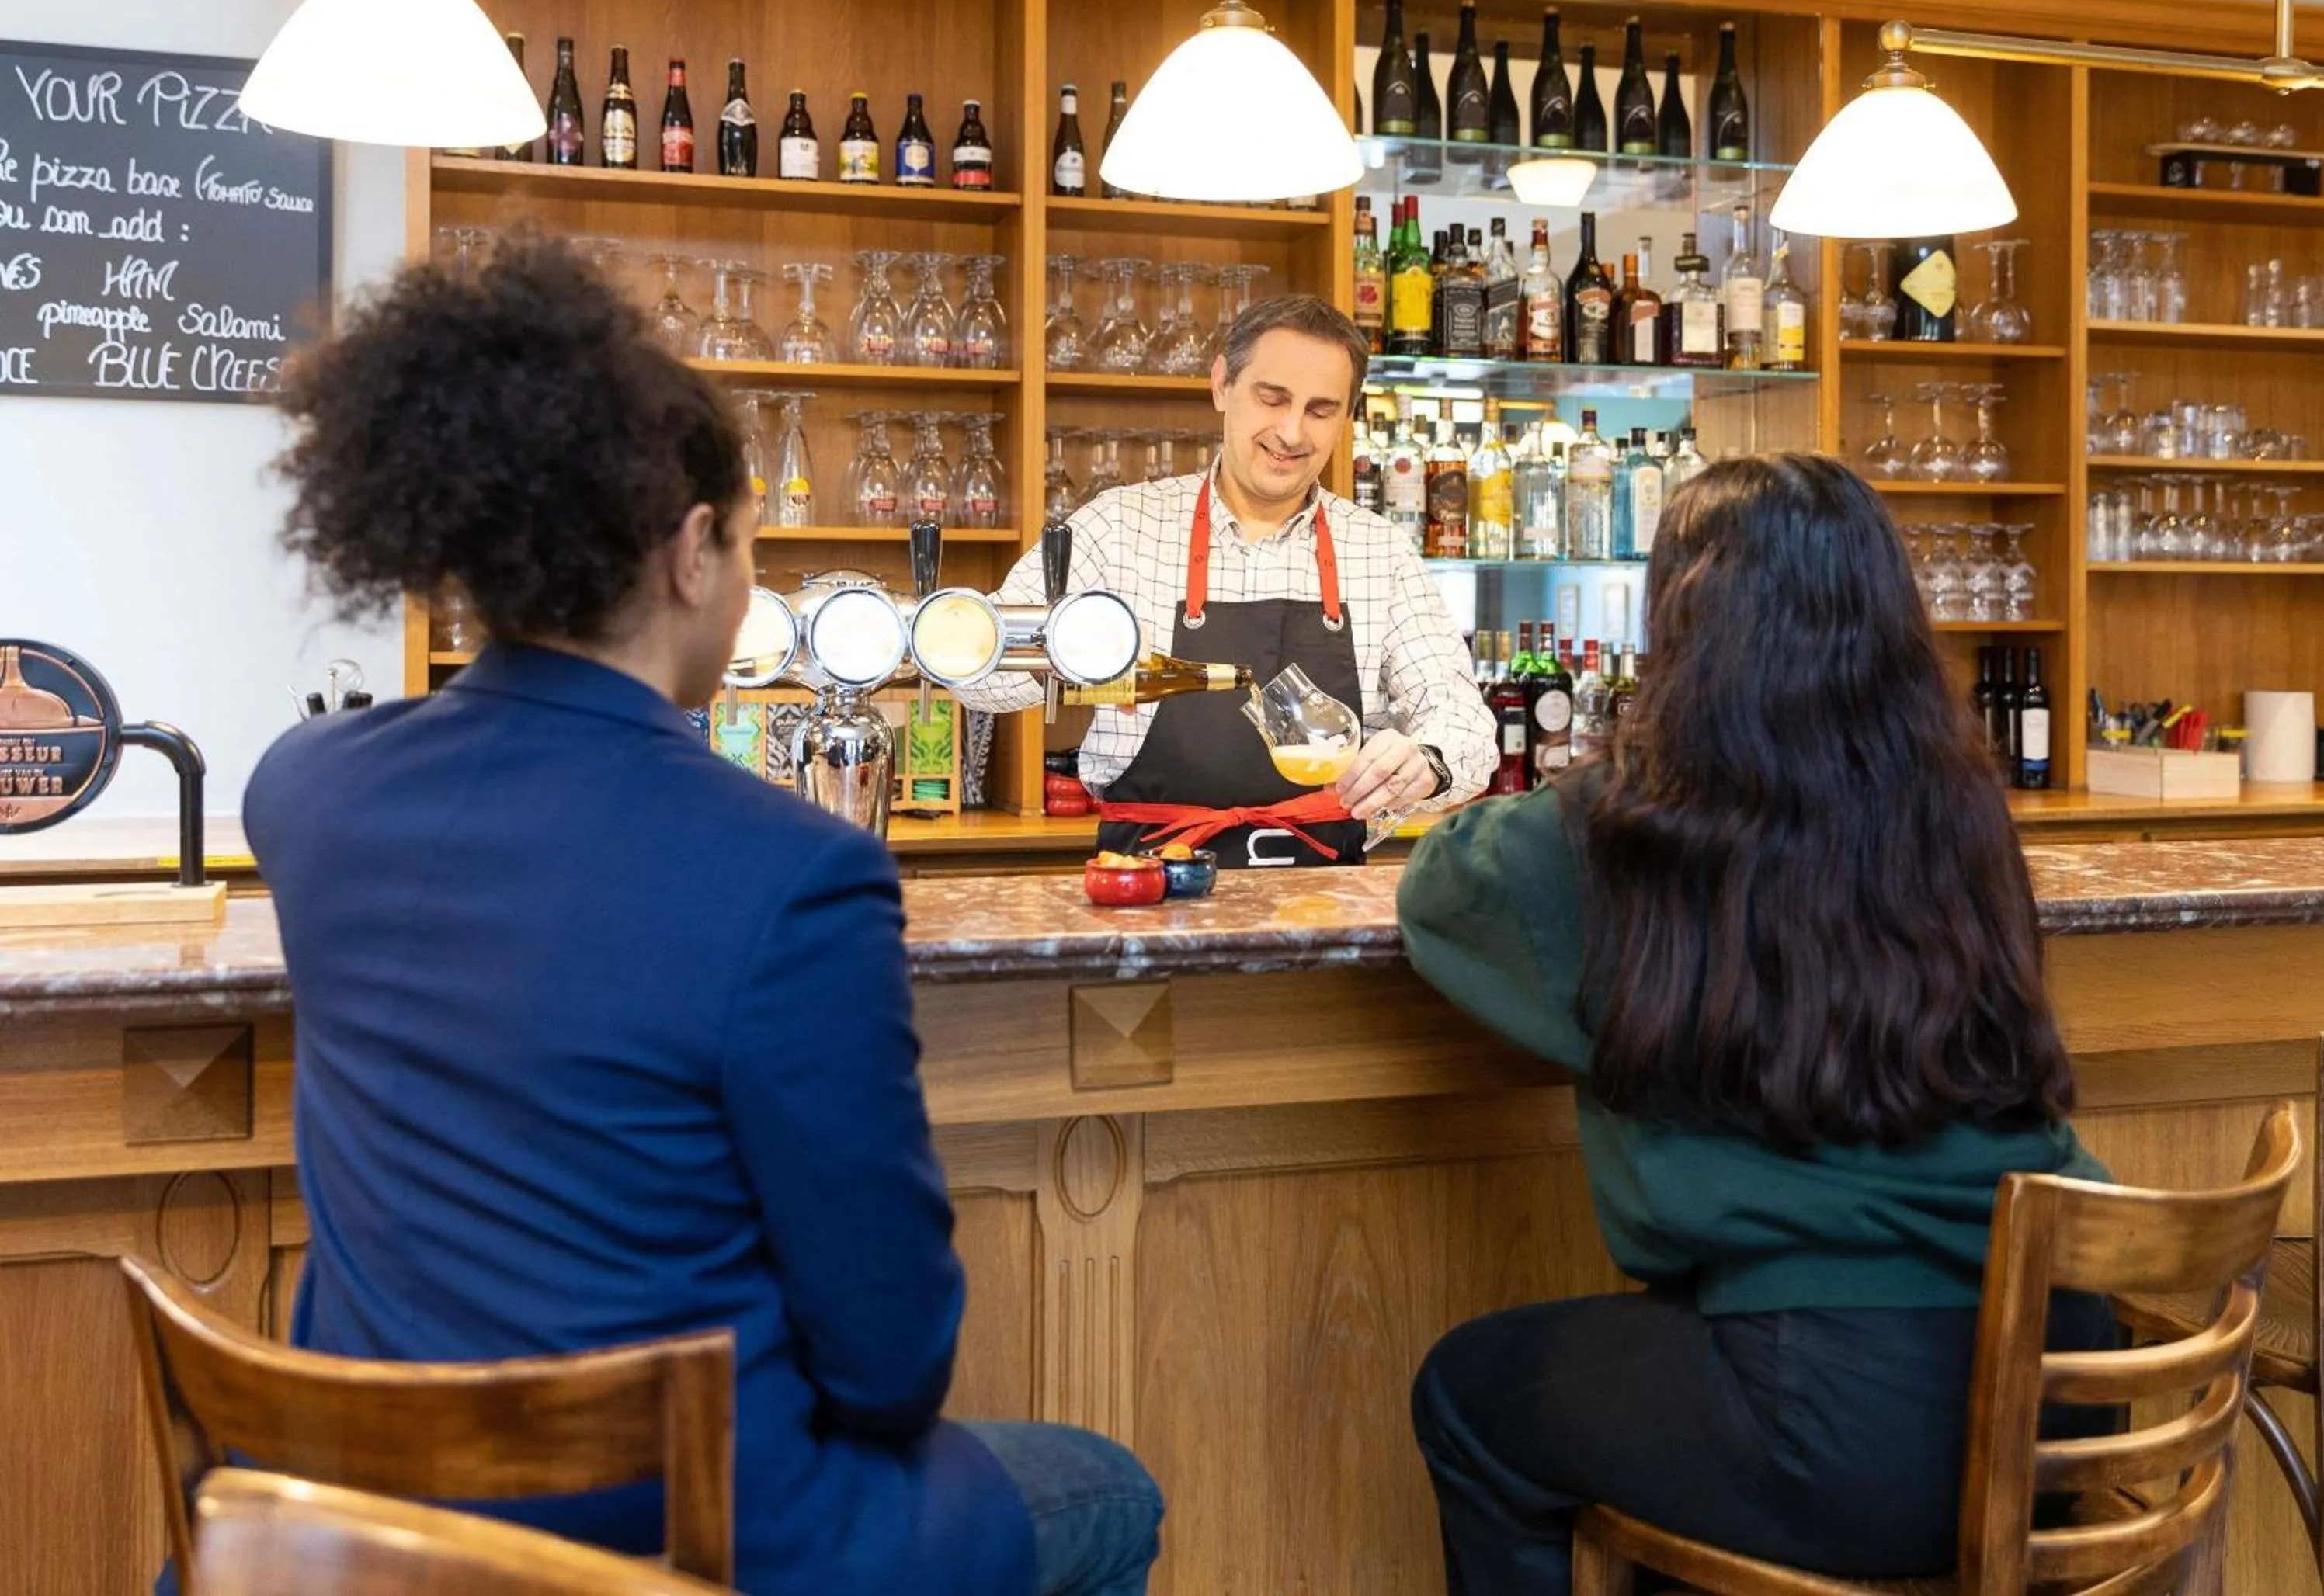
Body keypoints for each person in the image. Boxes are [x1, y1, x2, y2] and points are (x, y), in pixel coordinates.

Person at [244, 235, 1161, 1596]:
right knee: (1107, 1490)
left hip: (365, 1519)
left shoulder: (306, 794)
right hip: (681, 1537)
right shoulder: (794, 875)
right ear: (691, 553)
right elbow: (892, 1360)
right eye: (747, 544)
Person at [1396, 453, 2114, 1593]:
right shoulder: (1959, 807)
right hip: (2069, 1387)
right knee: (1677, 1376)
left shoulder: (1627, 836)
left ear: (1683, 625)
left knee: (1470, 1392)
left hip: (1842, 1422)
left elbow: (1445, 886)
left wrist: (1621, 759)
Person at [961, 294, 1493, 869]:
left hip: (1321, 896)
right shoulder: (1116, 529)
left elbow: (1465, 726)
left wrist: (1427, 760)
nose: (1291, 432)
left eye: (1320, 410)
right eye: (1272, 399)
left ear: (1348, 415)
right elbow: (979, 678)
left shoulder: (1377, 549)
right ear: (1222, 385)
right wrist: (1075, 645)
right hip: (1149, 884)